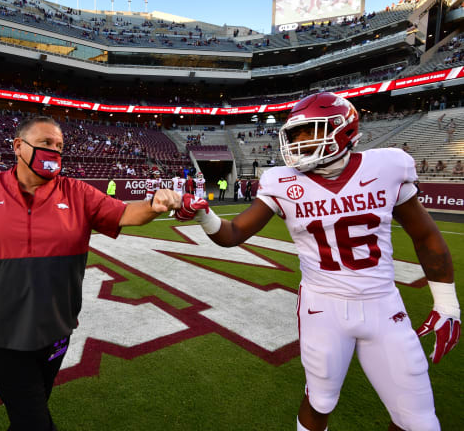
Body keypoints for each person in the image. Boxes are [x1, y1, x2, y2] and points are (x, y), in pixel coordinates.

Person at [174, 92, 460, 431]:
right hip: (322, 309)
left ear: (342, 129)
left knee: (419, 419)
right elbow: (234, 232)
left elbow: (425, 235)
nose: (299, 143)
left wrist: (447, 304)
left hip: (384, 305)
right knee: (321, 399)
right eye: (295, 135)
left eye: (310, 131)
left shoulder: (386, 167)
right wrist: (204, 216)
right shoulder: (281, 182)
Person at [0, 116, 180, 431]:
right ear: (19, 147)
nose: (54, 151)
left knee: (27, 415)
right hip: (0, 335)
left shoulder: (78, 193)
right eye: (46, 143)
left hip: (56, 332)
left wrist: (155, 204)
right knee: (34, 423)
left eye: (59, 146)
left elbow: (125, 213)